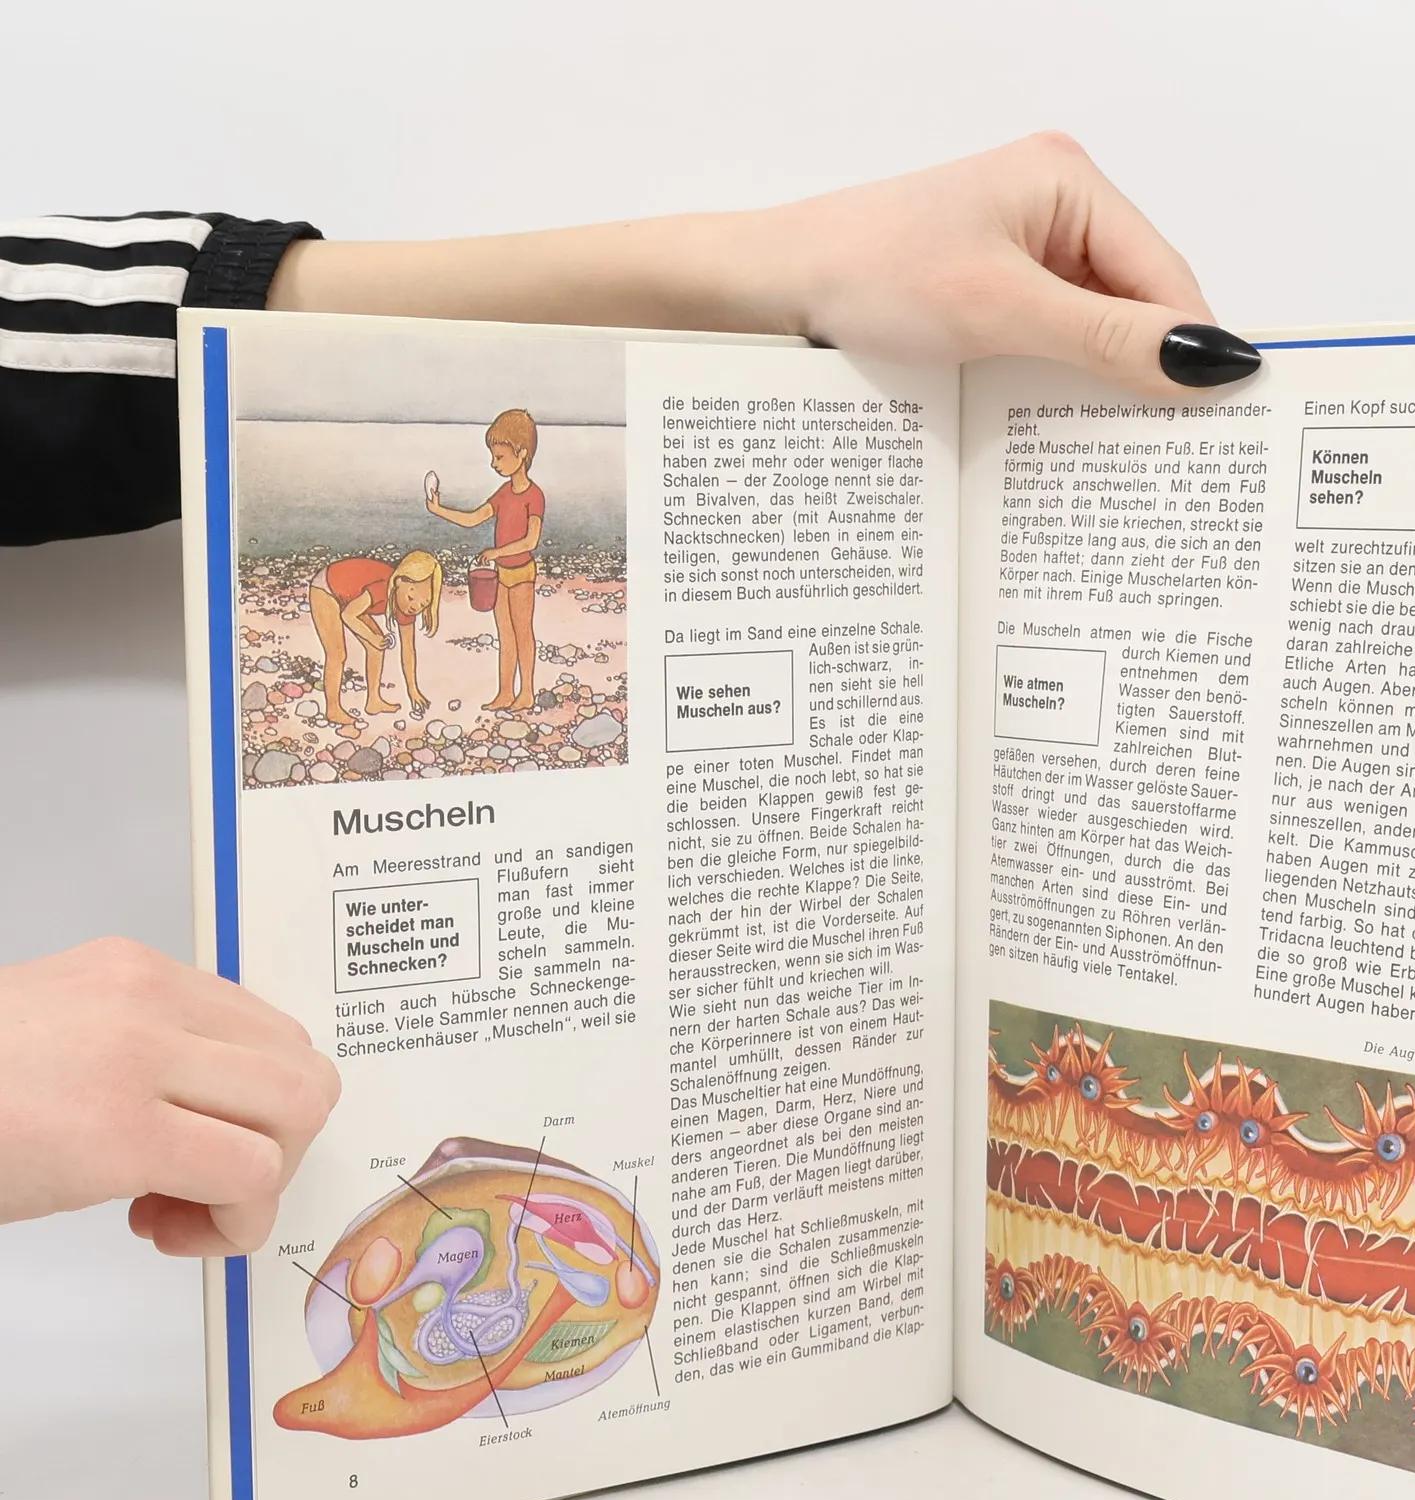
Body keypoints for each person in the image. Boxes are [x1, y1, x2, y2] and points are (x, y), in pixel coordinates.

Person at [0, 133, 1259, 1261]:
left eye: (505, 452)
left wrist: (787, 265)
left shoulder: (529, 496)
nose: (503, 461)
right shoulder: (475, 513)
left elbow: (75, 355)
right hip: (437, 606)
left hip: (505, 588)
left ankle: (507, 690)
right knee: (458, 670)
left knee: (509, 660)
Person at [425, 410, 544, 711]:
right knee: (505, 635)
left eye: (500, 457)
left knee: (523, 633)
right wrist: (438, 510)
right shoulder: (504, 493)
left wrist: (496, 552)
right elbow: (473, 518)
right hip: (501, 575)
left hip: (521, 573)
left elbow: (530, 541)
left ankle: (526, 692)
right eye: (493, 456)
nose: (493, 463)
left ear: (522, 453)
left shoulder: (534, 496)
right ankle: (505, 692)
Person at [308, 548, 442, 729]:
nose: (415, 607)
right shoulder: (382, 588)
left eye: (423, 604)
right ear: (399, 581)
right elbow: (348, 616)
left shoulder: (407, 607)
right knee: (337, 653)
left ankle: (373, 701)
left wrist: (413, 689)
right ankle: (333, 709)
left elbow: (408, 650)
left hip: (350, 597)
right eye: (411, 597)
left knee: (377, 647)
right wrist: (371, 637)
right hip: (327, 588)